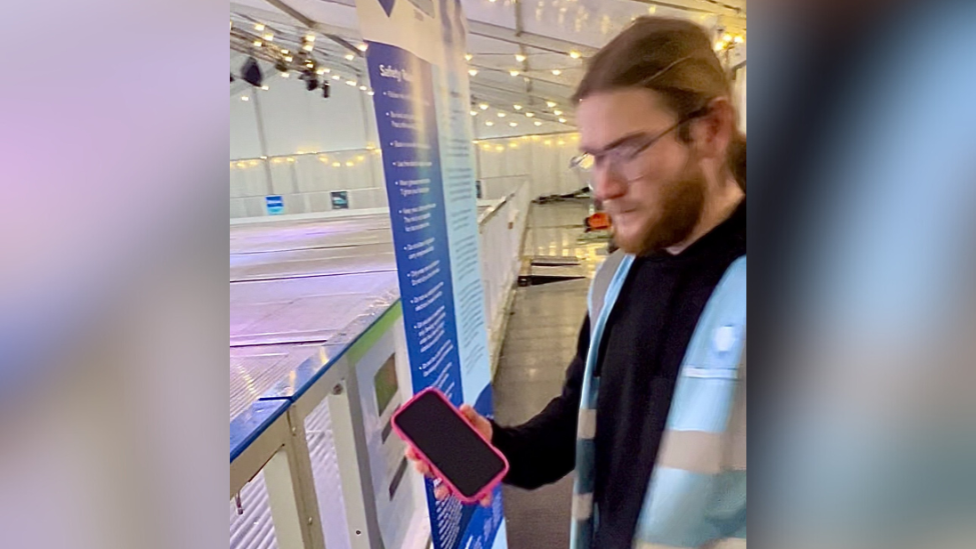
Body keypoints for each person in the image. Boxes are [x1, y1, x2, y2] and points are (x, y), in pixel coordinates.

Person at [409, 17, 746, 549]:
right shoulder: (620, 276)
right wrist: (497, 447)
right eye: (594, 157)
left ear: (711, 129)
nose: (604, 186)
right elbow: (580, 420)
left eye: (629, 149)